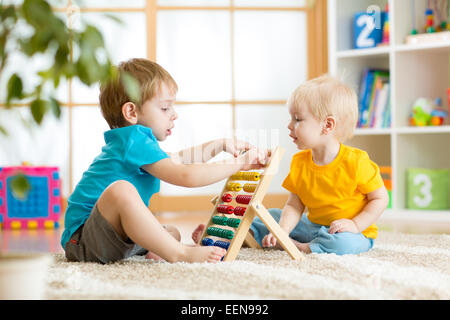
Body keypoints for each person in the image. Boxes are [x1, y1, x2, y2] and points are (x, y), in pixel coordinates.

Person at [61, 58, 268, 264]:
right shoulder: (133, 141)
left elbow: (180, 159)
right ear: (131, 112)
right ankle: (181, 254)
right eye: (165, 108)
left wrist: (220, 145)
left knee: (171, 232)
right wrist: (239, 163)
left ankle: (163, 250)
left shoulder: (135, 143)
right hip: (82, 241)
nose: (174, 115)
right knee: (121, 190)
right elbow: (185, 175)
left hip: (112, 238)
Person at [249, 75, 390, 255]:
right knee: (269, 216)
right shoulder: (299, 162)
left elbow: (380, 198)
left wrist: (355, 224)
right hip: (312, 226)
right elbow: (294, 205)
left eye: (298, 119)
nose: (289, 125)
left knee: (344, 244)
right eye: (291, 118)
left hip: (350, 232)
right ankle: (250, 235)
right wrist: (283, 230)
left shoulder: (356, 161)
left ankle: (305, 247)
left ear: (327, 125)